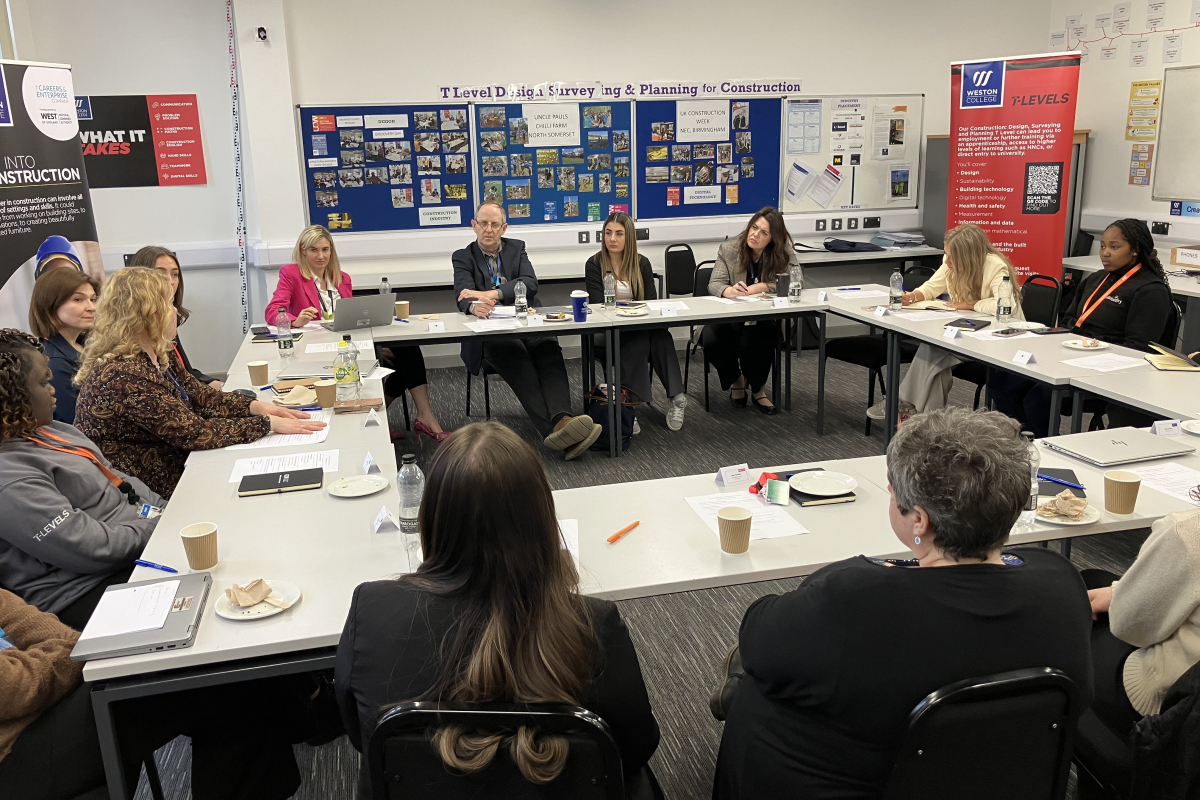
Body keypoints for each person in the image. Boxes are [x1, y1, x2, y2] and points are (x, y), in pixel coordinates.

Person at [712, 406, 1094, 799]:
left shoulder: (853, 597)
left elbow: (756, 635)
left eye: (893, 493)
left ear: (920, 522)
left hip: (856, 780)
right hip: (998, 780)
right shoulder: (1060, 582)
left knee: (755, 684)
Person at [336, 422, 661, 798]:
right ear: (541, 520)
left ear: (431, 517)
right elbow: (636, 748)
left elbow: (363, 737)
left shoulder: (371, 612)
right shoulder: (594, 624)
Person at [0, 587, 321, 800]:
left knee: (222, 676)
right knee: (219, 682)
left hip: (47, 701)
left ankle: (312, 709)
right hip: (14, 753)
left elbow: (47, 631)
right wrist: (61, 654)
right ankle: (314, 712)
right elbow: (14, 686)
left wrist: (58, 653)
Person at [74, 268, 323, 499]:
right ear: (147, 314)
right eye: (169, 304)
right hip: (146, 487)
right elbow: (194, 433)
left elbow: (199, 396)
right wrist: (266, 424)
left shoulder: (158, 349)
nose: (176, 312)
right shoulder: (123, 374)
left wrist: (256, 407)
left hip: (178, 463)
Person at [0, 329, 160, 628]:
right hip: (84, 591)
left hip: (133, 548)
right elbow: (90, 549)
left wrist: (166, 511)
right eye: (43, 382)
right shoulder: (8, 477)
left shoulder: (52, 430)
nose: (53, 390)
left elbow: (121, 481)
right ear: (11, 395)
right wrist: (162, 527)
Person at [988, 219, 1174, 437]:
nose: (1105, 253)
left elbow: (1138, 348)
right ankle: (1018, 444)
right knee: (1002, 383)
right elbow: (1070, 322)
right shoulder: (1095, 280)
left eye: (1114, 247)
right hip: (1069, 357)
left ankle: (1044, 448)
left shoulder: (1150, 290)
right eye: (1103, 246)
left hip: (1109, 371)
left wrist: (1093, 352)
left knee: (1040, 396)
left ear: (1135, 250)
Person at [265, 226, 448, 441]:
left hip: (348, 343)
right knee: (403, 364)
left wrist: (377, 343)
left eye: (325, 249)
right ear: (303, 251)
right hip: (317, 349)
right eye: (314, 250)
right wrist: (296, 320)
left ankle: (421, 416)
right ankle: (387, 417)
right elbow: (272, 311)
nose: (321, 256)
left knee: (406, 351)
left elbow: (352, 319)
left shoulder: (341, 278)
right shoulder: (291, 274)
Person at [453, 202, 601, 459]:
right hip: (492, 332)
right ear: (473, 226)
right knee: (518, 359)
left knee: (548, 351)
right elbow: (463, 295)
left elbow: (530, 284)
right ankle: (558, 428)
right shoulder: (463, 256)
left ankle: (562, 419)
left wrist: (491, 293)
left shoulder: (516, 248)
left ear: (504, 228)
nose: (488, 229)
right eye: (483, 224)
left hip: (527, 322)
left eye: (494, 224)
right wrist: (473, 306)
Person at [867, 223, 1024, 419]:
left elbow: (1006, 305)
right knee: (935, 366)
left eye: (952, 257)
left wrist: (970, 305)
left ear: (969, 257)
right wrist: (914, 296)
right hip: (970, 331)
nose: (947, 261)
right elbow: (933, 287)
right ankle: (927, 423)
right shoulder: (950, 262)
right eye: (946, 254)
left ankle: (901, 402)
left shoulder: (994, 265)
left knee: (932, 349)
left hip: (999, 338)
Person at [1082, 508, 1200, 736]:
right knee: (1095, 579)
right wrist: (1118, 591)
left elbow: (1129, 629)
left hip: (1170, 705)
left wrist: (1123, 597)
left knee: (1076, 602)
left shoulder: (1187, 532)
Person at [585, 211, 687, 432]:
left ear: (628, 237)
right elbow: (596, 305)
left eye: (619, 234)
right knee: (638, 339)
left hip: (640, 325)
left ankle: (677, 398)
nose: (612, 239)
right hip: (609, 328)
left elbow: (650, 302)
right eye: (608, 233)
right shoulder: (594, 264)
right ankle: (630, 407)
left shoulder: (642, 263)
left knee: (661, 336)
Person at [706, 207, 802, 415]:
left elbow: (797, 281)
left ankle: (758, 389)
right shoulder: (730, 248)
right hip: (731, 316)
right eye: (754, 227)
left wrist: (764, 286)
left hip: (765, 318)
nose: (755, 235)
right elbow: (714, 283)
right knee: (710, 337)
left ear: (773, 238)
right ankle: (737, 380)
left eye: (764, 233)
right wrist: (728, 290)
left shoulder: (783, 251)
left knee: (756, 337)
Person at [127, 245, 221, 388]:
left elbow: (184, 372)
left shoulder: (168, 317)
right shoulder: (134, 332)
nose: (170, 281)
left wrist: (218, 386)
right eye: (160, 273)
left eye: (175, 274)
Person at [27, 268, 98, 424]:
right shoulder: (53, 361)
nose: (91, 307)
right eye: (78, 300)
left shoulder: (85, 343)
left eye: (92, 299)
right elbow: (79, 421)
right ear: (51, 304)